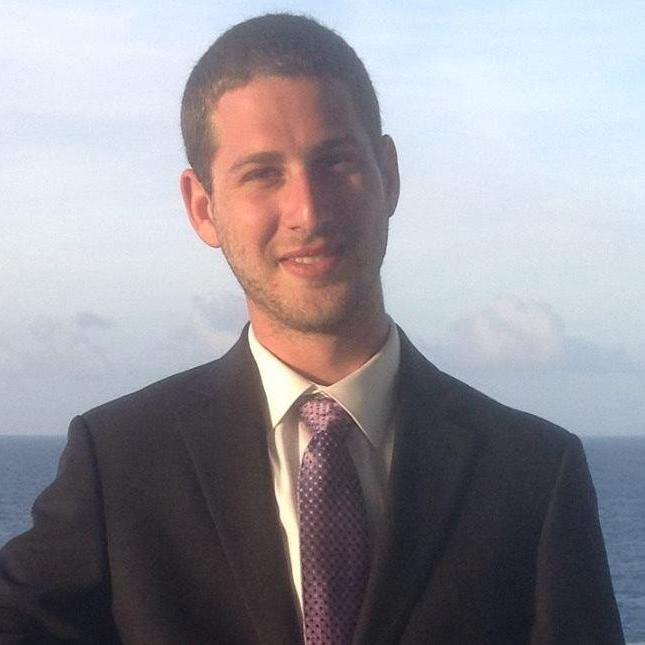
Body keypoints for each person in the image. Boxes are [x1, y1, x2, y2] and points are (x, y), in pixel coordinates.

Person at [0, 13, 623, 645]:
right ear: (203, 207)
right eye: (262, 173)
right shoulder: (119, 463)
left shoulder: (534, 475)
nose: (309, 211)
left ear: (388, 175)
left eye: (335, 161)